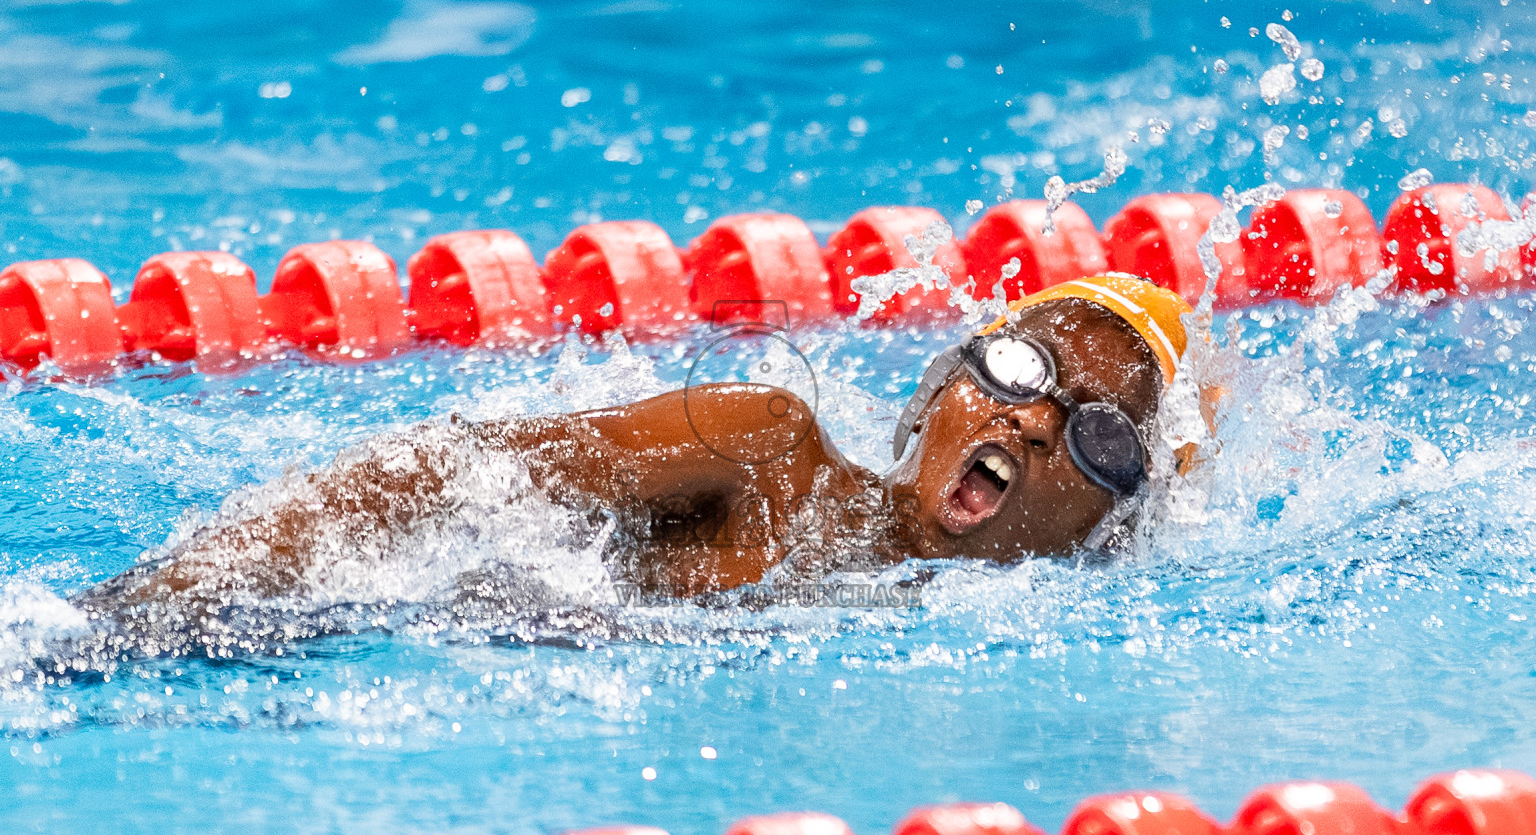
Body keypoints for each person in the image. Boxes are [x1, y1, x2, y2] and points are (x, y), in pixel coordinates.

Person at [81, 273, 1194, 612]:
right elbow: (439, 473)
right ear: (932, 390)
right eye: (1021, 369)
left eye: (1100, 433)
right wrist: (159, 601)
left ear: (1109, 521)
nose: (1037, 420)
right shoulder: (770, 455)